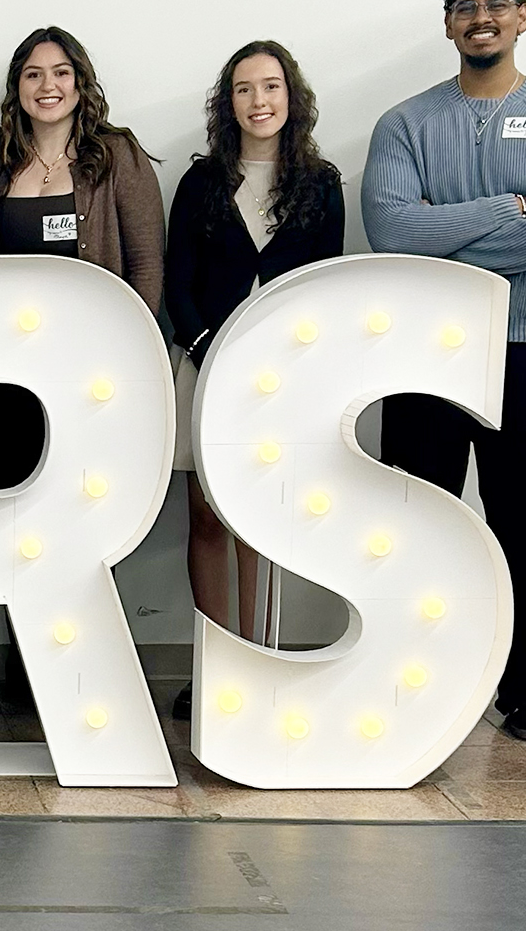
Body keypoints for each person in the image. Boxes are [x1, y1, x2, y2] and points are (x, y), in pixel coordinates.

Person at [360, 0, 526, 742]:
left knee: (524, 524)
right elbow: (393, 232)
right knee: (415, 520)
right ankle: (404, 666)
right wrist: (504, 206)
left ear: (523, 16)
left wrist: (446, 231)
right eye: (466, 7)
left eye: (497, 5)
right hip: (422, 355)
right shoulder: (403, 122)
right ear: (449, 23)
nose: (482, 17)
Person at [165, 41, 346, 718]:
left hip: (283, 381)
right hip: (208, 367)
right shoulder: (201, 182)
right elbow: (177, 283)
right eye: (244, 89)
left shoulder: (320, 183)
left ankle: (259, 662)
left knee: (261, 523)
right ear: (228, 103)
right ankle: (217, 664)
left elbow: (322, 289)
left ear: (291, 98)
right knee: (209, 519)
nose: (259, 100)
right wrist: (211, 344)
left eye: (271, 87)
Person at [0, 26, 165, 491]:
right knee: (16, 498)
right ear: (16, 87)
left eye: (61, 73)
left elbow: (146, 266)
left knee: (88, 496)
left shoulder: (118, 155)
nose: (48, 87)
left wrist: (127, 354)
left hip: (93, 366)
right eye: (33, 75)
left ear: (80, 83)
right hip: (11, 369)